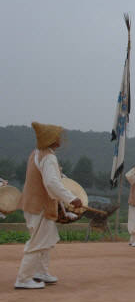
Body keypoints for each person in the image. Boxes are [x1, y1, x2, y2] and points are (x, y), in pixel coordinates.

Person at [15, 122, 83, 289]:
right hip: (40, 207)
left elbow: (51, 183)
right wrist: (71, 199)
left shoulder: (37, 153)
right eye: (57, 136)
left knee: (44, 241)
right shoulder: (49, 157)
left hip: (33, 205)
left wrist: (63, 207)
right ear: (51, 139)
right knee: (38, 242)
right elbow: (52, 183)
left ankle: (40, 272)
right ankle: (23, 279)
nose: (60, 139)